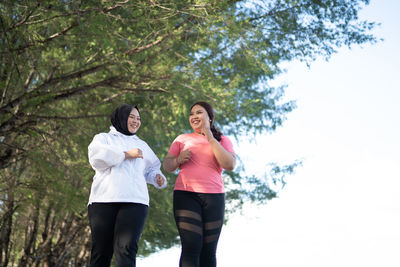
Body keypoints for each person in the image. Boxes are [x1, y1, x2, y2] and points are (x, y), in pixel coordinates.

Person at [87, 104, 167, 267]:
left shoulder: (142, 145)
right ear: (121, 117)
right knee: (101, 251)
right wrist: (125, 154)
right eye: (132, 117)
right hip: (103, 200)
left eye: (138, 118)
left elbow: (151, 169)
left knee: (126, 249)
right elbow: (96, 159)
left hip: (135, 201)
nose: (136, 121)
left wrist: (157, 177)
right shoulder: (104, 138)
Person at [163, 101, 236, 267]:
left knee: (208, 250)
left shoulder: (222, 140)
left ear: (209, 118)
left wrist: (209, 137)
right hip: (186, 195)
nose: (194, 116)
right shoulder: (182, 139)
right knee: (191, 245)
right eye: (191, 113)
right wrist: (177, 159)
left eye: (199, 112)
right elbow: (167, 165)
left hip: (214, 197)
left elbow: (229, 164)